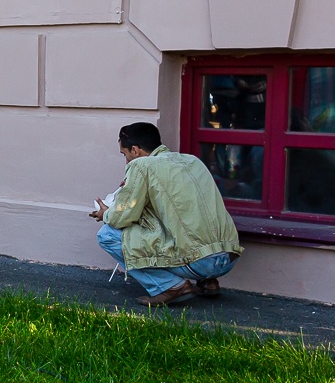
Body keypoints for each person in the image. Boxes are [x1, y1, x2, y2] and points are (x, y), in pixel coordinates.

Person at [93, 122, 243, 308]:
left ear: (135, 150)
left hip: (200, 262)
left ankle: (171, 287)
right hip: (228, 258)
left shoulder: (141, 166)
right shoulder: (192, 160)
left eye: (125, 155)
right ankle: (208, 281)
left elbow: (121, 217)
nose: (126, 161)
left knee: (106, 235)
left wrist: (106, 213)